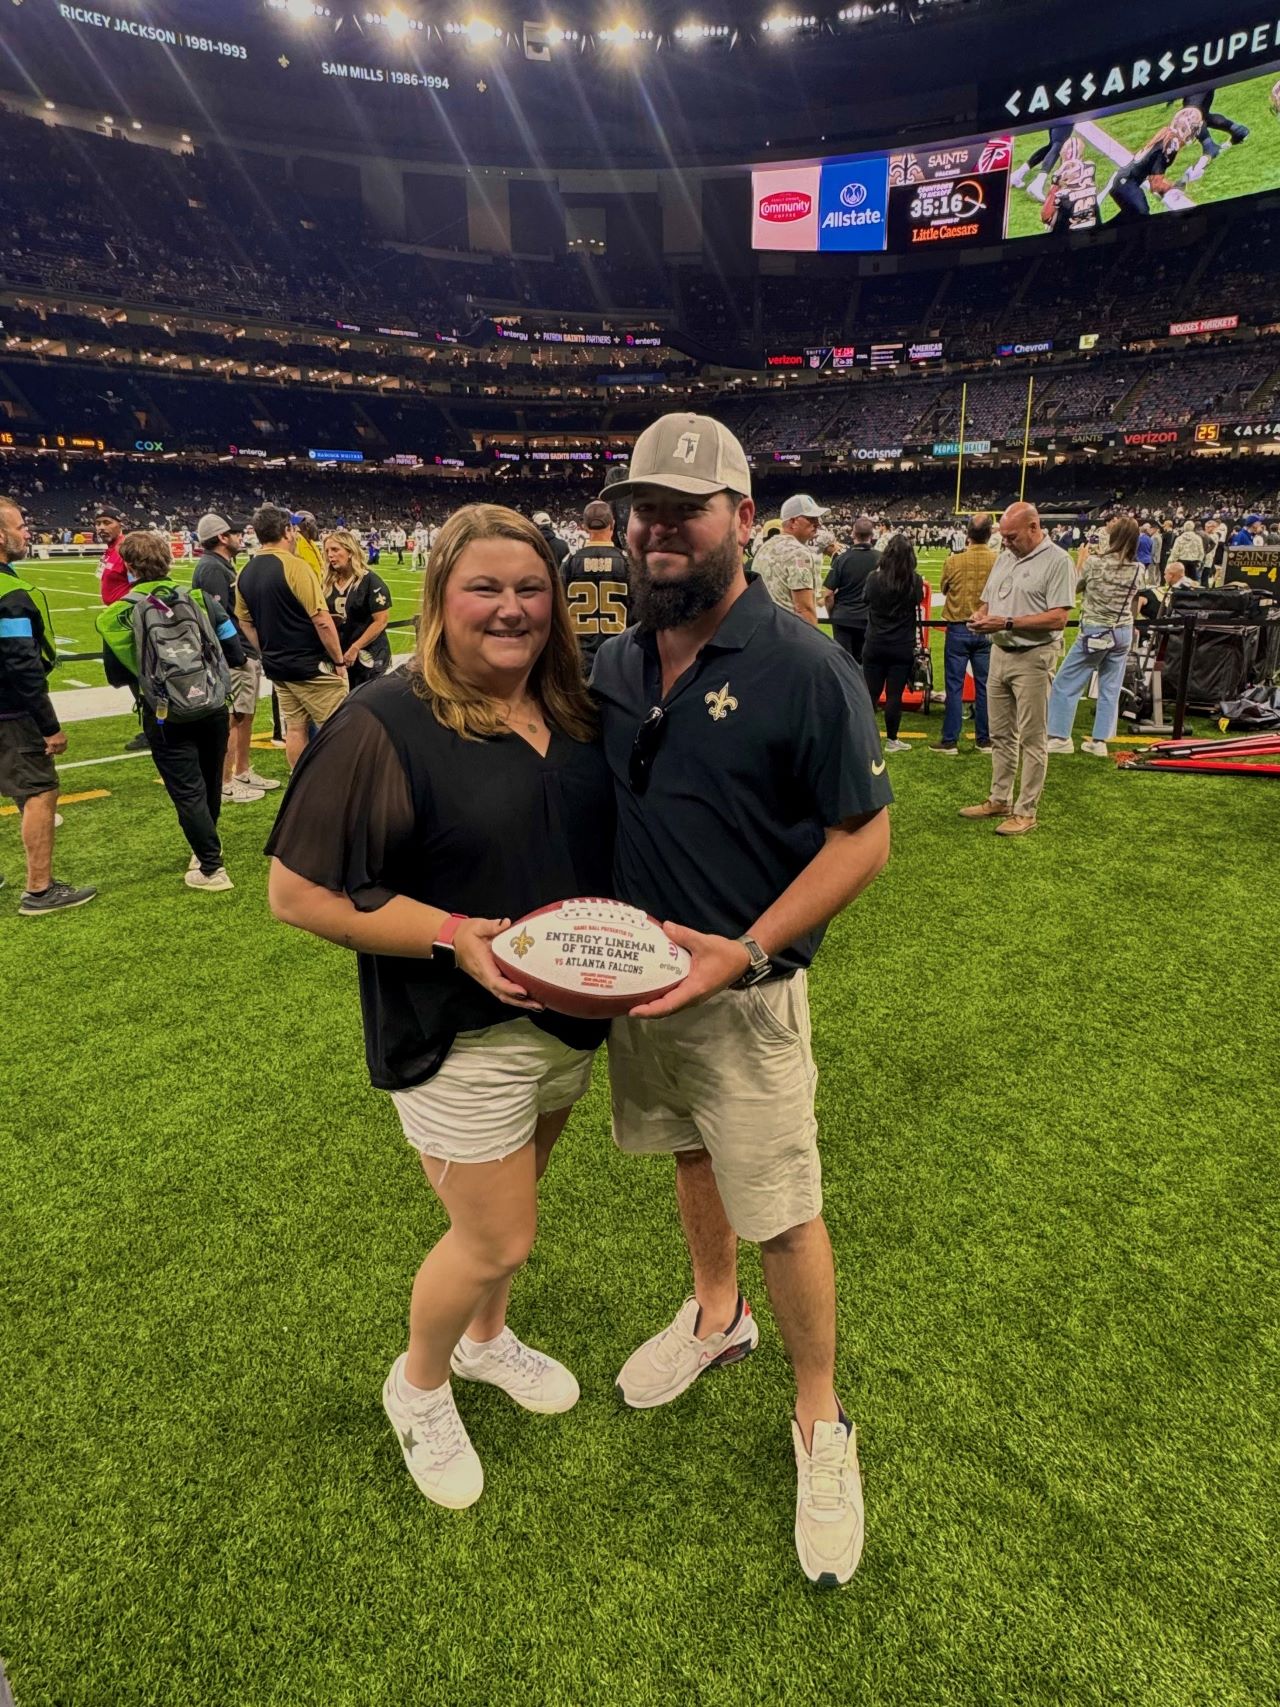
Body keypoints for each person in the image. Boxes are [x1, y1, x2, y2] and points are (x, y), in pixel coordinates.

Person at [591, 412, 893, 1588]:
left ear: (742, 521)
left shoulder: (803, 663)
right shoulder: (620, 657)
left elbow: (861, 843)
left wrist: (745, 952)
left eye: (685, 508)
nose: (658, 529)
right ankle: (714, 1318)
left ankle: (821, 1422)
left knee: (784, 1205)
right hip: (638, 990)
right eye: (642, 510)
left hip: (746, 991)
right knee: (691, 1159)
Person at [266, 504, 613, 1512]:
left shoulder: (576, 711)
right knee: (494, 1237)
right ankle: (416, 1385)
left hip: (564, 1023)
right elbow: (297, 895)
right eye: (485, 589)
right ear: (438, 600)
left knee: (515, 1217)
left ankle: (484, 1342)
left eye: (529, 589)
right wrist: (455, 934)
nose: (511, 609)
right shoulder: (383, 718)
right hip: (453, 1031)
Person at [108, 531, 246, 890]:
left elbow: (115, 675)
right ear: (168, 559)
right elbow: (235, 651)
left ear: (129, 566)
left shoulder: (119, 614)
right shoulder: (200, 598)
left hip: (165, 713)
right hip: (213, 705)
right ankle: (204, 851)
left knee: (187, 791)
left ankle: (211, 866)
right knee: (210, 780)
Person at [0, 495, 96, 914]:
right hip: (11, 713)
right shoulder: (11, 594)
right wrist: (49, 725)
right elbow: (22, 665)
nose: (27, 533)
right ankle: (39, 889)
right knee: (40, 788)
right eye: (20, 526)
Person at [961, 502, 1074, 836]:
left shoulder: (1058, 561)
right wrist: (981, 617)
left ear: (1034, 527)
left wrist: (1008, 620)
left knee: (1032, 737)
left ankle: (1026, 811)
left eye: (1012, 536)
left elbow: (1059, 617)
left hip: (1034, 655)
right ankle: (999, 798)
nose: (1006, 542)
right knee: (1000, 733)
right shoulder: (1005, 557)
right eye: (1004, 536)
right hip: (999, 651)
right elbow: (988, 601)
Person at [235, 504, 348, 769]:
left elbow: (245, 623)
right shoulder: (295, 567)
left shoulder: (245, 571)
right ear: (287, 531)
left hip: (278, 666)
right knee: (342, 727)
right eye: (293, 529)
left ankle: (301, 783)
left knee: (295, 729)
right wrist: (339, 662)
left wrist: (266, 652)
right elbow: (321, 620)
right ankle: (341, 787)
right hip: (310, 665)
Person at [191, 512, 277, 803]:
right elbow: (218, 617)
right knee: (234, 717)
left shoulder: (220, 565)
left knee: (246, 714)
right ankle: (225, 781)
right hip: (233, 654)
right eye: (235, 533)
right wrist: (237, 655)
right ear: (221, 537)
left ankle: (240, 769)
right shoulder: (213, 569)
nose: (241, 537)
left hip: (242, 651)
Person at [1046, 516, 1143, 759]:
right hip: (1122, 632)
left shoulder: (1096, 564)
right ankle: (1100, 741)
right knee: (1110, 688)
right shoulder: (1138, 569)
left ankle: (1059, 736)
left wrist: (1081, 561)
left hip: (1095, 630)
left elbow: (1073, 588)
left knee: (1065, 683)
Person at [931, 511, 998, 756]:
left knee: (954, 686)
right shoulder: (998, 560)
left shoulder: (953, 560)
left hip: (959, 628)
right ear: (990, 534)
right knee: (985, 686)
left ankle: (950, 740)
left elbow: (944, 588)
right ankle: (985, 739)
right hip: (987, 628)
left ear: (968, 534)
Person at [861, 535, 924, 755]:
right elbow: (917, 600)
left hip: (875, 642)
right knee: (894, 695)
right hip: (901, 645)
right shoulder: (914, 581)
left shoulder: (873, 578)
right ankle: (892, 739)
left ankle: (864, 739)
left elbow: (865, 600)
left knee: (870, 694)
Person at [560, 500, 631, 672]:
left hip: (580, 654)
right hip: (619, 654)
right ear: (612, 524)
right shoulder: (626, 561)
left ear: (584, 527)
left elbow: (558, 606)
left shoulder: (570, 561)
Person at [322, 528, 393, 690]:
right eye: (327, 551)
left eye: (335, 549)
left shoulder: (370, 581)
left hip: (368, 654)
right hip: (340, 655)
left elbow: (381, 621)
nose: (330, 555)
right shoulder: (326, 584)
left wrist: (356, 646)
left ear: (350, 551)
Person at [752, 494, 828, 626]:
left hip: (762, 629)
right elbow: (804, 608)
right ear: (793, 522)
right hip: (789, 633)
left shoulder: (765, 547)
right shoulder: (799, 553)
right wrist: (812, 642)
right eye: (811, 518)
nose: (817, 523)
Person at [822, 514, 878, 662]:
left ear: (853, 534)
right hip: (869, 618)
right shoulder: (881, 558)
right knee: (867, 664)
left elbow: (828, 594)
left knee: (844, 664)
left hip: (844, 617)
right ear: (872, 535)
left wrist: (832, 614)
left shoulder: (841, 559)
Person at [290, 511, 326, 583]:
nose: (316, 528)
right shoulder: (295, 543)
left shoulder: (309, 542)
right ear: (307, 525)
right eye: (314, 524)